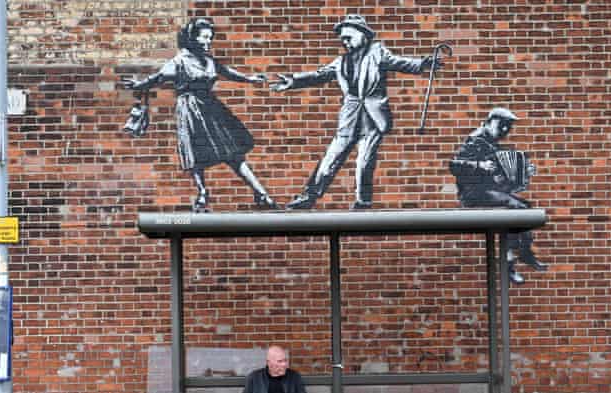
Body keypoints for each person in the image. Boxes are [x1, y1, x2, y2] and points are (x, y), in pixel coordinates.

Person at [271, 14, 442, 210]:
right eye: (343, 39)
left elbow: (400, 62)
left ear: (363, 35)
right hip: (350, 117)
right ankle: (309, 196)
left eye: (349, 37)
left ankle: (363, 202)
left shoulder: (378, 53)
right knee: (330, 160)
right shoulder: (341, 61)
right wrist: (293, 81)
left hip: (373, 117)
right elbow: (319, 75)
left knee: (364, 162)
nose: (345, 42)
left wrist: (423, 63)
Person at [122, 18, 279, 212]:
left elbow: (227, 72)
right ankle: (203, 193)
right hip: (190, 109)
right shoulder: (179, 61)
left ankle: (260, 193)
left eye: (210, 38)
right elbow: (158, 78)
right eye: (204, 37)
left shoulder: (209, 60)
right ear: (193, 38)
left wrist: (250, 79)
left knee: (234, 153)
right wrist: (139, 85)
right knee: (195, 154)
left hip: (211, 108)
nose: (208, 41)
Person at [449, 107, 548, 284]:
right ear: (488, 122)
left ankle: (523, 253)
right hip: (472, 194)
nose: (504, 130)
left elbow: (503, 182)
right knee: (516, 208)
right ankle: (512, 261)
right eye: (501, 125)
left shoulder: (492, 145)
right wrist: (480, 165)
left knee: (525, 208)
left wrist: (525, 172)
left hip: (486, 191)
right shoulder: (475, 140)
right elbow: (454, 166)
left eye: (508, 127)